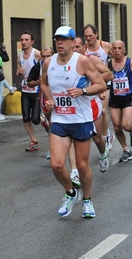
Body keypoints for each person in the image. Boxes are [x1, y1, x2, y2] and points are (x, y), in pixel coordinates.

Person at [40, 26, 106, 218]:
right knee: (56, 165)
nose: (59, 43)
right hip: (60, 119)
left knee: (82, 166)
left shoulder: (83, 61)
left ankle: (87, 200)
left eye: (63, 39)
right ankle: (70, 192)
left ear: (71, 42)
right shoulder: (48, 63)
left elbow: (101, 84)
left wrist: (83, 91)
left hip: (81, 120)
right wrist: (49, 98)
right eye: (57, 40)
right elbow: (43, 83)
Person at [68, 36, 113, 184]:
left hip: (90, 104)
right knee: (73, 139)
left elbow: (109, 74)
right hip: (72, 107)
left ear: (84, 48)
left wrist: (94, 83)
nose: (75, 50)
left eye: (77, 47)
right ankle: (74, 172)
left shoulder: (91, 61)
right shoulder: (63, 62)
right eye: (73, 47)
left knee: (96, 137)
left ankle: (102, 153)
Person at [108, 40, 132, 162]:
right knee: (117, 127)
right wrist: (102, 92)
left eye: (119, 48)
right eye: (114, 48)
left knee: (125, 125)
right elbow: (103, 79)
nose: (117, 51)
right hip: (114, 99)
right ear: (111, 51)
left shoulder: (130, 63)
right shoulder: (108, 65)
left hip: (128, 98)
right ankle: (126, 150)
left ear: (124, 50)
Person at [83, 24, 115, 151]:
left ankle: (106, 135)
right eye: (86, 36)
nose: (89, 38)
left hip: (105, 80)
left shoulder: (105, 46)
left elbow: (117, 57)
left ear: (96, 34)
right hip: (91, 83)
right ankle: (103, 134)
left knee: (103, 110)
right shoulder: (84, 49)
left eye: (91, 35)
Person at [27, 46, 55, 158]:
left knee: (59, 124)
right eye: (44, 56)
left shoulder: (60, 64)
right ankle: (52, 149)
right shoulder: (38, 66)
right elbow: (29, 83)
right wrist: (40, 82)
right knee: (52, 123)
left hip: (61, 98)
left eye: (49, 56)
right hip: (46, 97)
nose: (46, 58)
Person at [16, 31, 42, 152]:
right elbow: (18, 72)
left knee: (35, 119)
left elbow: (46, 65)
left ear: (32, 42)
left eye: (26, 40)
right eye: (22, 40)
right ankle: (34, 141)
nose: (23, 42)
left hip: (36, 90)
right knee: (26, 118)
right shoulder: (20, 56)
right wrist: (19, 72)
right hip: (25, 90)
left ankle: (44, 120)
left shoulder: (37, 54)